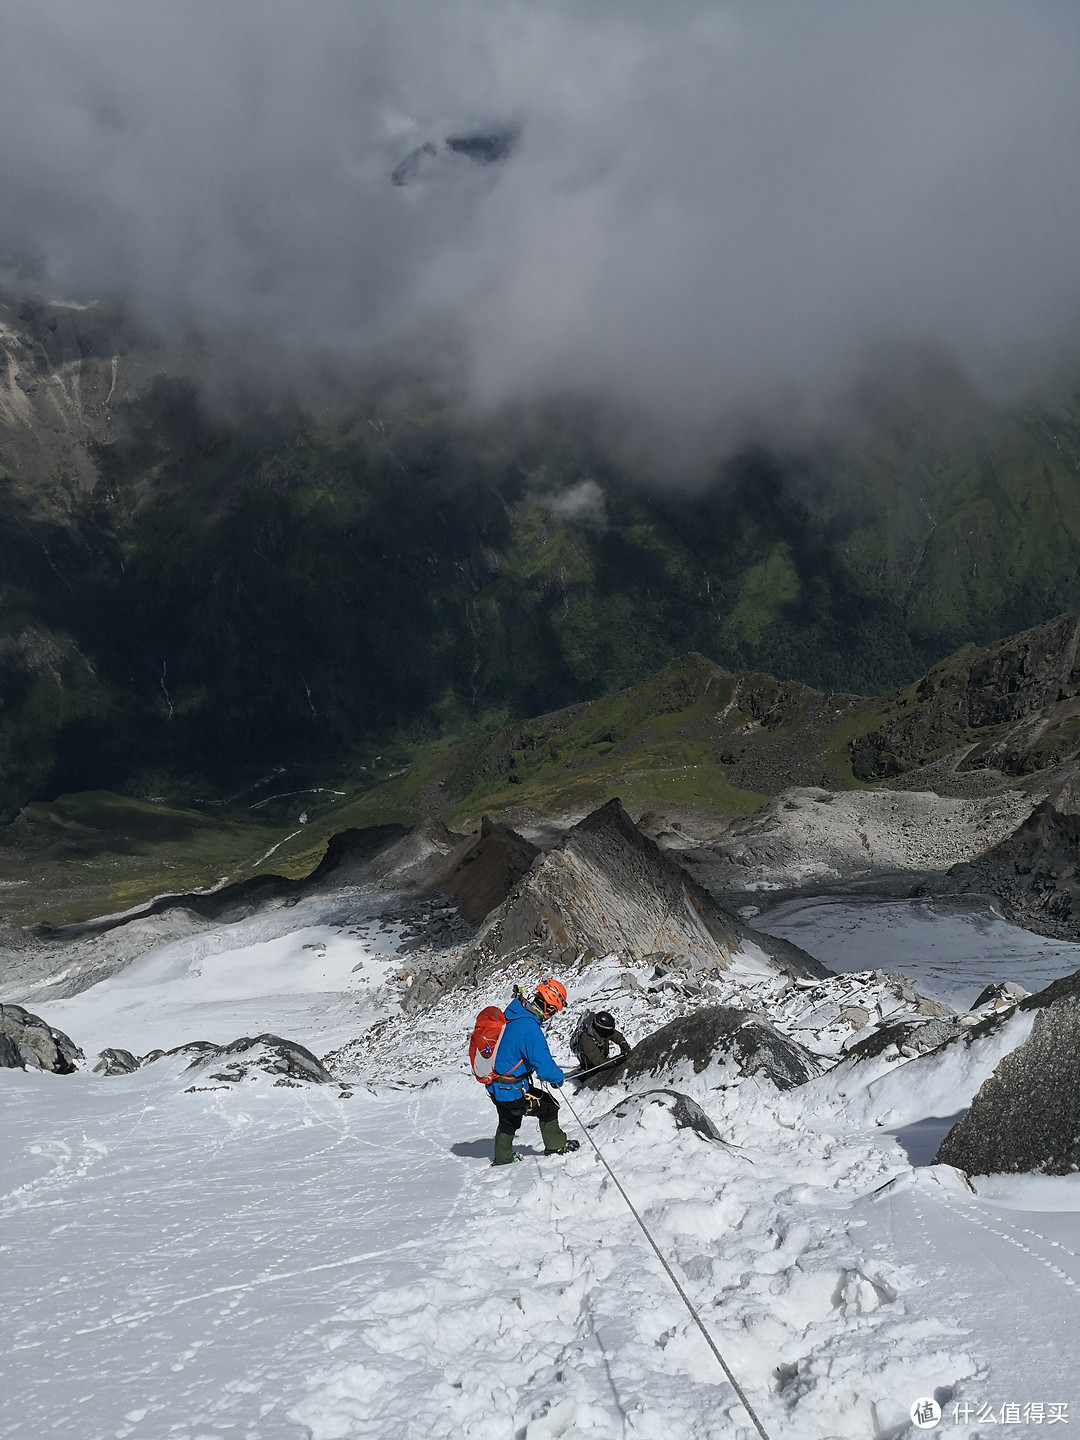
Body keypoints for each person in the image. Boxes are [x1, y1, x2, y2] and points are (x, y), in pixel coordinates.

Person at [487, 978, 581, 1166]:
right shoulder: (530, 1028)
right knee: (549, 1107)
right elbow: (544, 1066)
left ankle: (503, 1157)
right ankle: (556, 1145)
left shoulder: (514, 1015)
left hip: (496, 1085)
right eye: (554, 1010)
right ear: (549, 1007)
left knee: (508, 1120)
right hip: (513, 1089)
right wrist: (558, 1078)